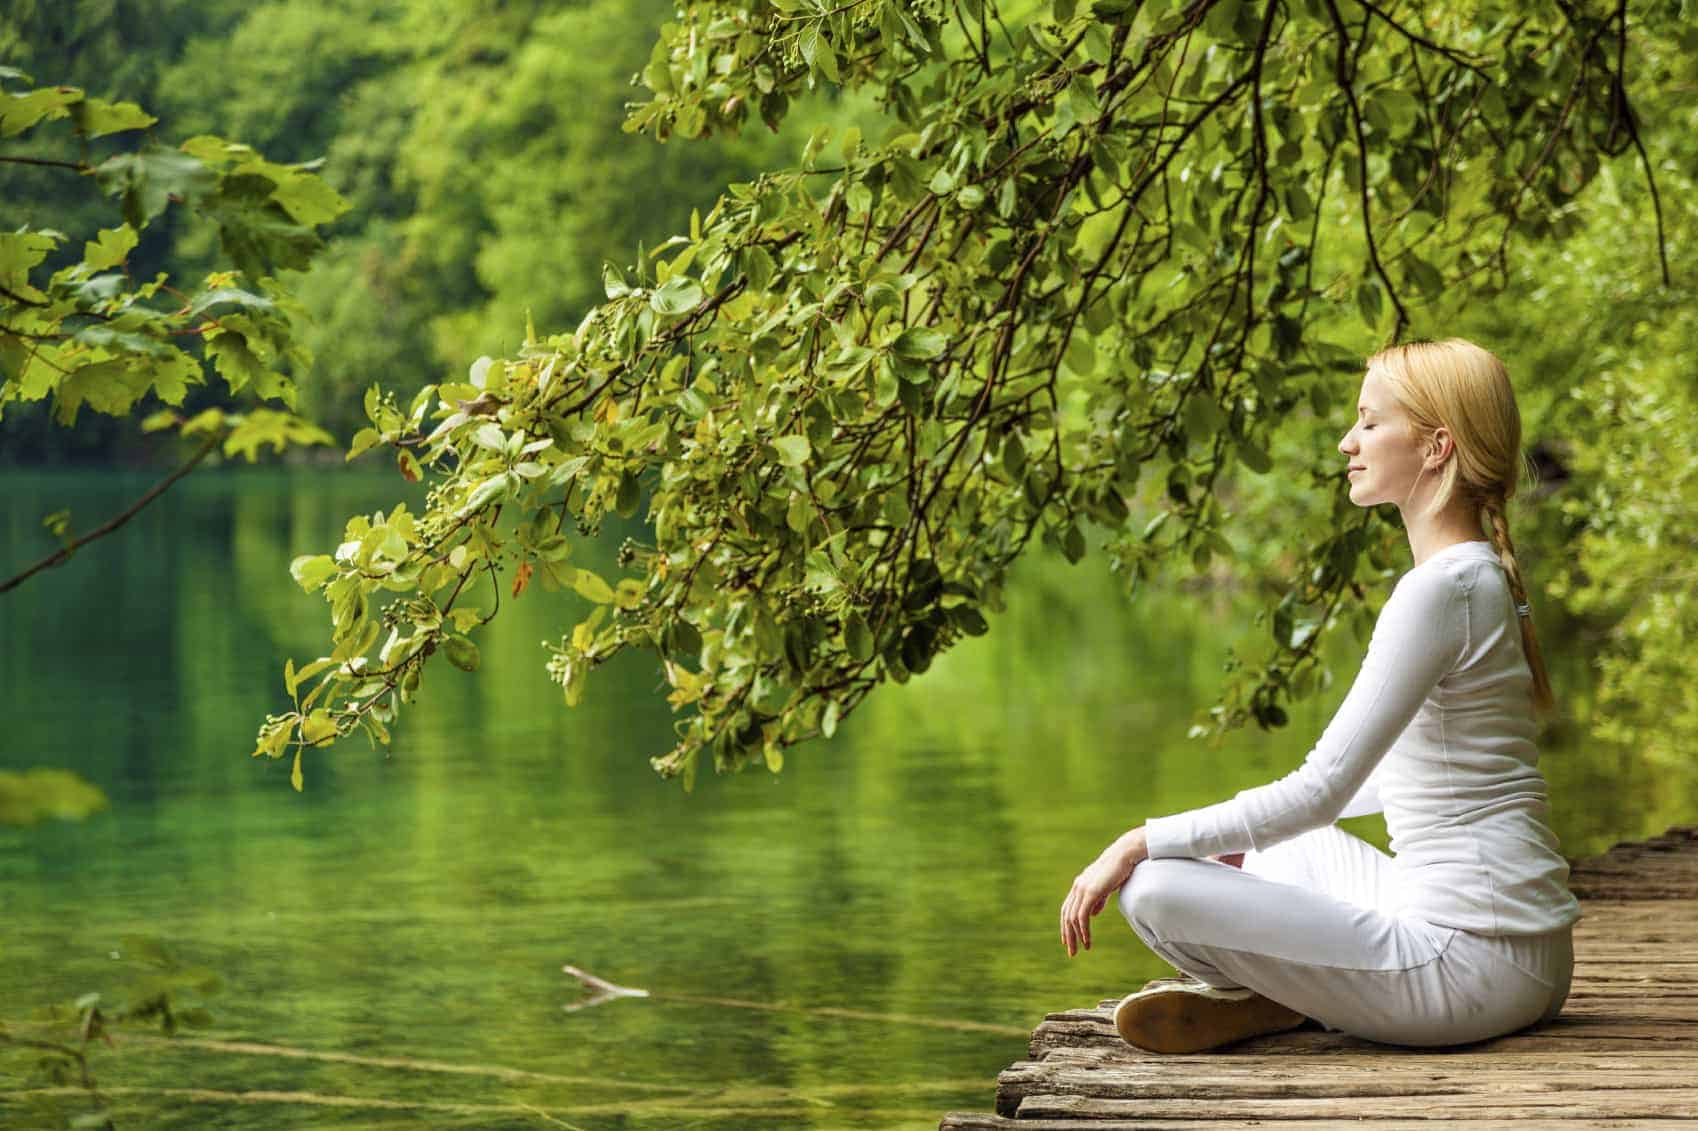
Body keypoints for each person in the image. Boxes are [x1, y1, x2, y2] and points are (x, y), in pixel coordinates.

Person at [1057, 338, 1580, 1054]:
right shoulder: (1474, 575)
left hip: (1469, 973)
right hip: (1529, 962)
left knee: (1150, 887)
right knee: (1266, 848)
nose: (1347, 441)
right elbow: (1394, 783)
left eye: (1369, 422)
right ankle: (1284, 999)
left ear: (1436, 446)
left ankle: (1282, 997)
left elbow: (1323, 788)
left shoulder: (1440, 590)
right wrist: (1234, 845)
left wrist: (1138, 839)